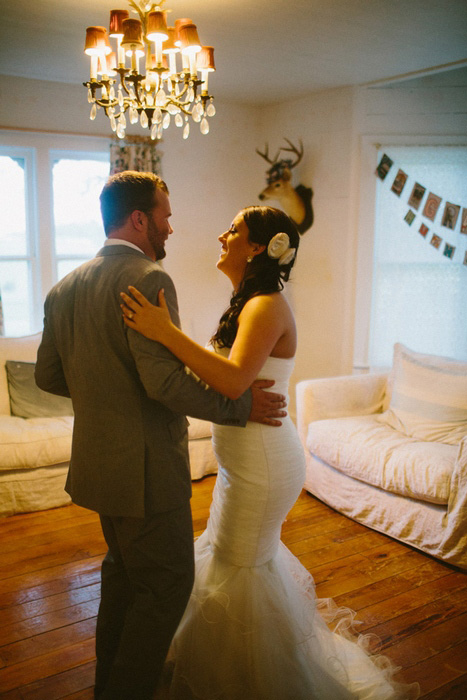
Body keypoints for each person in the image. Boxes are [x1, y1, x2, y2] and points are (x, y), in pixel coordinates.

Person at [120, 205, 419, 700]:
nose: (222, 234)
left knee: (239, 565)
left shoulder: (265, 304)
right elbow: (230, 378)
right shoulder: (248, 300)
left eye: (233, 230)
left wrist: (164, 331)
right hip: (245, 461)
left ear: (259, 246)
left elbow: (234, 380)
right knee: (232, 558)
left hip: (262, 463)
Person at [34, 172, 288, 700]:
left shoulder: (64, 287)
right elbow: (166, 384)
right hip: (147, 471)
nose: (171, 229)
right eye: (166, 217)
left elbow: (48, 376)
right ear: (140, 219)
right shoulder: (149, 279)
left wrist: (102, 396)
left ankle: (109, 686)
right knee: (166, 589)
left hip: (100, 468)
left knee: (123, 579)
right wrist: (240, 406)